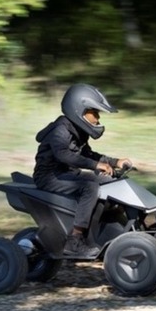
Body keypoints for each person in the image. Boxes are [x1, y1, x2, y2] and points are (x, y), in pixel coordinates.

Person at [33, 83, 132, 256]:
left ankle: (109, 228)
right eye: (95, 112)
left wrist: (115, 162)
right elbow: (63, 155)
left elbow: (88, 154)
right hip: (49, 177)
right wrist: (96, 166)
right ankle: (75, 240)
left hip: (67, 174)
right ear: (79, 110)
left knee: (110, 182)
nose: (98, 119)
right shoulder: (60, 130)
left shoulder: (77, 130)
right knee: (90, 187)